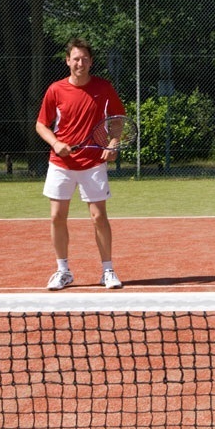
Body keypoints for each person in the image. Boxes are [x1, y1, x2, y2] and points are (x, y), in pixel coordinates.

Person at [35, 38, 126, 290]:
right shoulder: (55, 90)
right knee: (56, 216)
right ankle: (63, 271)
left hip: (94, 163)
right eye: (75, 58)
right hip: (61, 164)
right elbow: (41, 124)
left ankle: (107, 271)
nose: (80, 63)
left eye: (85, 59)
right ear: (68, 61)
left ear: (91, 62)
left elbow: (117, 119)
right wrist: (56, 143)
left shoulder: (104, 88)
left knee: (99, 217)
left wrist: (114, 143)